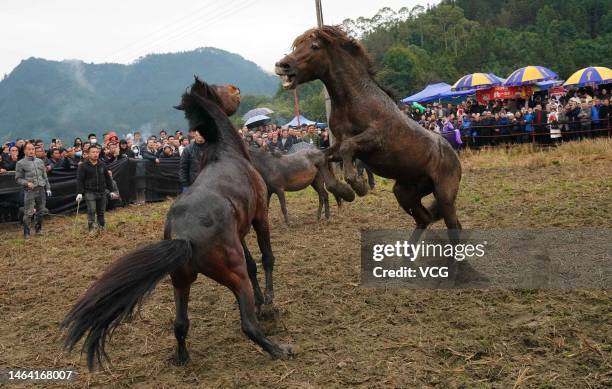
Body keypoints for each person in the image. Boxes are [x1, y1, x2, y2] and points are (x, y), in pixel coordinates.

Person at [76, 144, 116, 234]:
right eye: (93, 152)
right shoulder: (83, 166)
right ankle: (91, 229)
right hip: (89, 192)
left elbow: (108, 178)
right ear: (88, 154)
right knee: (91, 211)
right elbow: (80, 180)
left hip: (102, 191)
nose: (95, 154)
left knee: (101, 212)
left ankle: (101, 227)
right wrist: (79, 193)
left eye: (97, 152)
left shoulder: (102, 164)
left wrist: (112, 190)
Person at [15, 143, 51, 239]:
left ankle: (38, 229)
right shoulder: (20, 163)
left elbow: (45, 176)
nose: (31, 151)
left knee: (41, 211)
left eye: (33, 149)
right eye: (29, 149)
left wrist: (48, 188)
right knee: (29, 212)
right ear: (25, 151)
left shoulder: (40, 161)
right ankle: (26, 232)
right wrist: (26, 183)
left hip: (41, 189)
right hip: (30, 191)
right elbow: (18, 179)